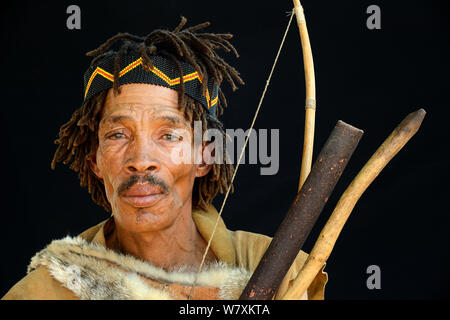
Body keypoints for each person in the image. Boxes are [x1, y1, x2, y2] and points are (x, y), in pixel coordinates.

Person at [2, 17, 327, 300]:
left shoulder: (284, 271)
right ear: (95, 161)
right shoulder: (49, 290)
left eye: (168, 135)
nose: (141, 161)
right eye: (118, 135)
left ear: (204, 156)